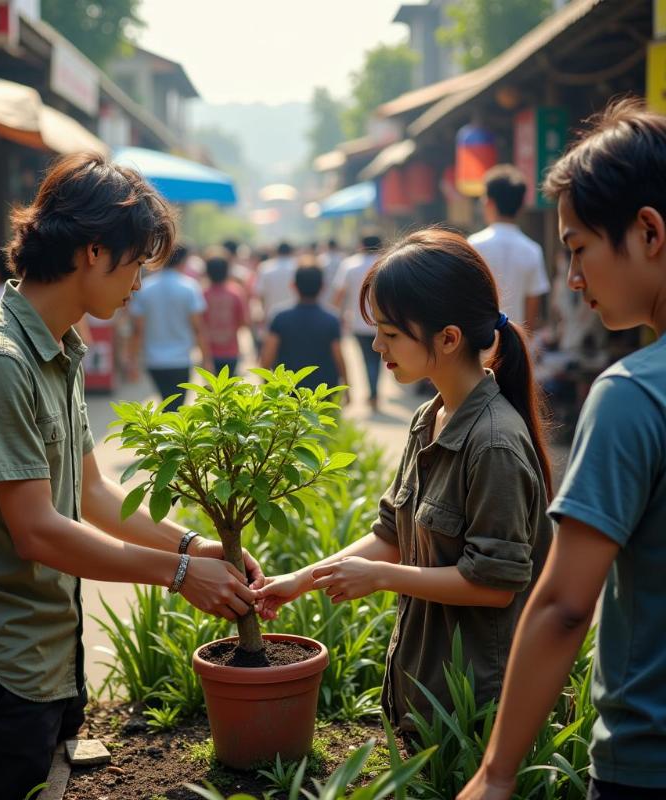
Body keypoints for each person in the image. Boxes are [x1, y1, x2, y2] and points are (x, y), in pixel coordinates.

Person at [0, 153, 262, 800]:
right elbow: (37, 532)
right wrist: (180, 576)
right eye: (134, 264)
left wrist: (191, 544)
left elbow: (93, 494)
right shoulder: (1, 361)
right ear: (93, 253)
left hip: (41, 649)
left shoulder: (57, 345)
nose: (137, 283)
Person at [256, 228, 553, 730]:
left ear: (449, 338)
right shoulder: (430, 418)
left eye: (391, 334)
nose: (375, 345)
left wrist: (381, 579)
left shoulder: (494, 443)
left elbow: (494, 585)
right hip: (429, 691)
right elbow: (390, 536)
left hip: (476, 710)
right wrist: (298, 583)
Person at [459, 100, 666, 800]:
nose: (574, 276)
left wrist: (496, 772)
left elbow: (565, 605)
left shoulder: (634, 395)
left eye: (578, 248)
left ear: (647, 233)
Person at [128, 243, 212, 410]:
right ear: (184, 261)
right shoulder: (190, 287)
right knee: (176, 407)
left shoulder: (146, 288)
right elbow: (198, 328)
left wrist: (133, 361)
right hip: (181, 359)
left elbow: (138, 330)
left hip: (153, 360)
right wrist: (206, 359)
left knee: (166, 402)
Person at [468, 164, 551, 330]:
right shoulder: (532, 250)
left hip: (480, 346)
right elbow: (532, 306)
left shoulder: (473, 246)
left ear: (489, 202)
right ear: (521, 206)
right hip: (515, 344)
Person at [259, 259, 347, 391]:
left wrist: (266, 386)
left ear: (293, 285)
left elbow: (267, 357)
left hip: (288, 391)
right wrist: (346, 384)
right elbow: (338, 356)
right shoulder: (331, 318)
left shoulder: (279, 317)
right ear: (322, 286)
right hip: (323, 391)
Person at [332, 232, 383, 412]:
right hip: (383, 322)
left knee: (367, 358)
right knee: (379, 358)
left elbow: (339, 294)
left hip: (359, 321)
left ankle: (373, 393)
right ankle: (374, 393)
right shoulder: (386, 262)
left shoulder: (350, 265)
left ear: (361, 245)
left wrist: (336, 314)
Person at [203, 248, 248, 376]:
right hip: (231, 351)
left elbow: (198, 325)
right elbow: (244, 321)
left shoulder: (202, 294)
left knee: (211, 393)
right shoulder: (236, 293)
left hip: (209, 353)